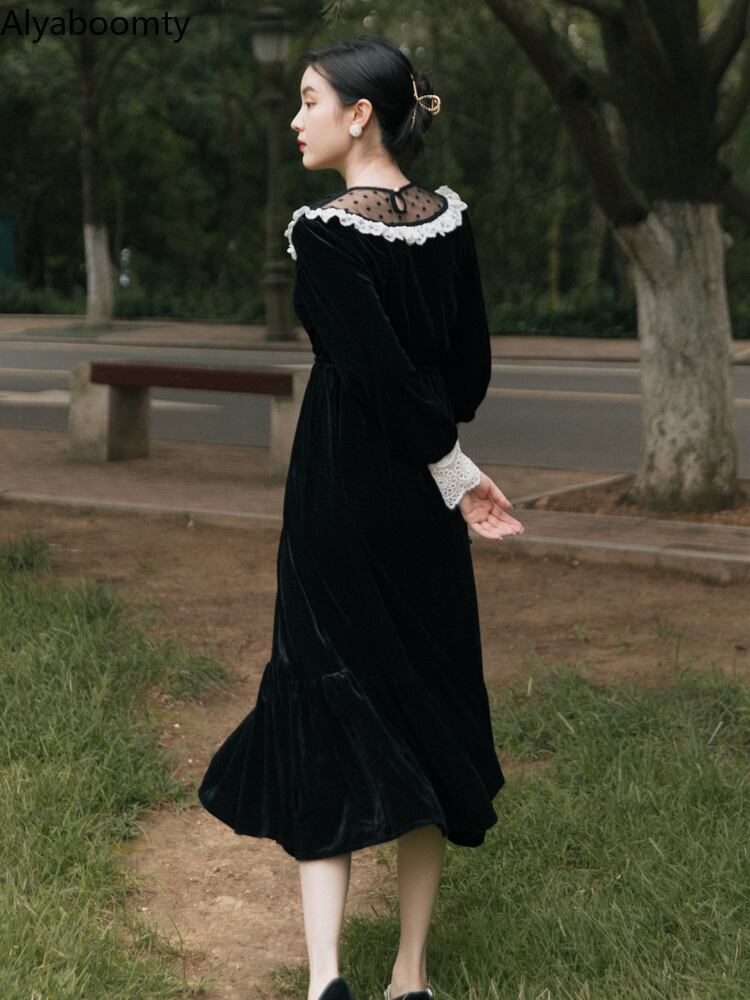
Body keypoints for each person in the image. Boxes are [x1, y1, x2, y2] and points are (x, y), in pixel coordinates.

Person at [197, 33, 525, 1000]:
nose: (297, 119)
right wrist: (451, 468)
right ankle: (409, 975)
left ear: (361, 114)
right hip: (421, 501)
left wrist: (451, 465)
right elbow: (468, 375)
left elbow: (372, 373)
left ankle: (326, 978)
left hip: (340, 493)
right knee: (428, 701)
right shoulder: (452, 221)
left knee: (324, 698)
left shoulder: (322, 233)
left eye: (309, 100)